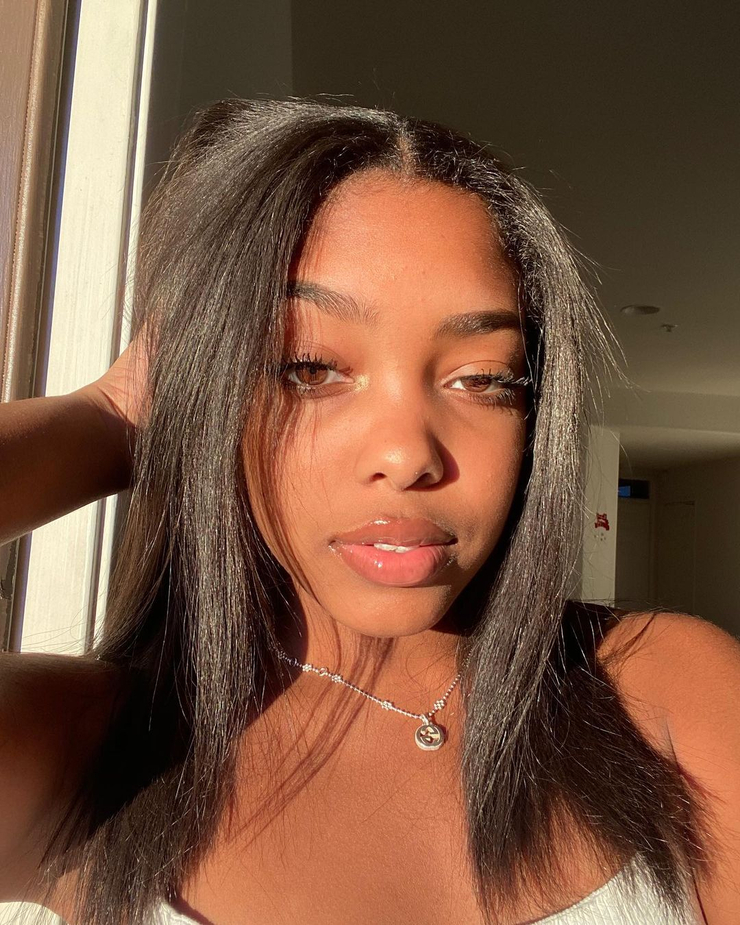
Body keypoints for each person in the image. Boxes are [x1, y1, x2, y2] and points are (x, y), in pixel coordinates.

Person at [0, 98, 737, 925]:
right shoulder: (78, 751)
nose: (409, 452)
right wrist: (113, 417)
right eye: (310, 366)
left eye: (482, 378)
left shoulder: (669, 699)